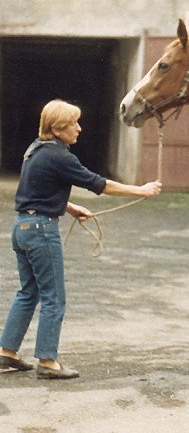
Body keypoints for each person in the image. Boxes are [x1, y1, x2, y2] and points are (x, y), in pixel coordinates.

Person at [0, 99, 161, 380]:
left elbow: (35, 192)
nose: (79, 128)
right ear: (58, 128)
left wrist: (70, 207)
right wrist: (141, 190)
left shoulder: (34, 150)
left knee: (28, 292)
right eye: (73, 123)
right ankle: (48, 362)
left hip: (22, 227)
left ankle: (7, 353)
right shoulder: (61, 157)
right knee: (54, 298)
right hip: (41, 230)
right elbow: (100, 184)